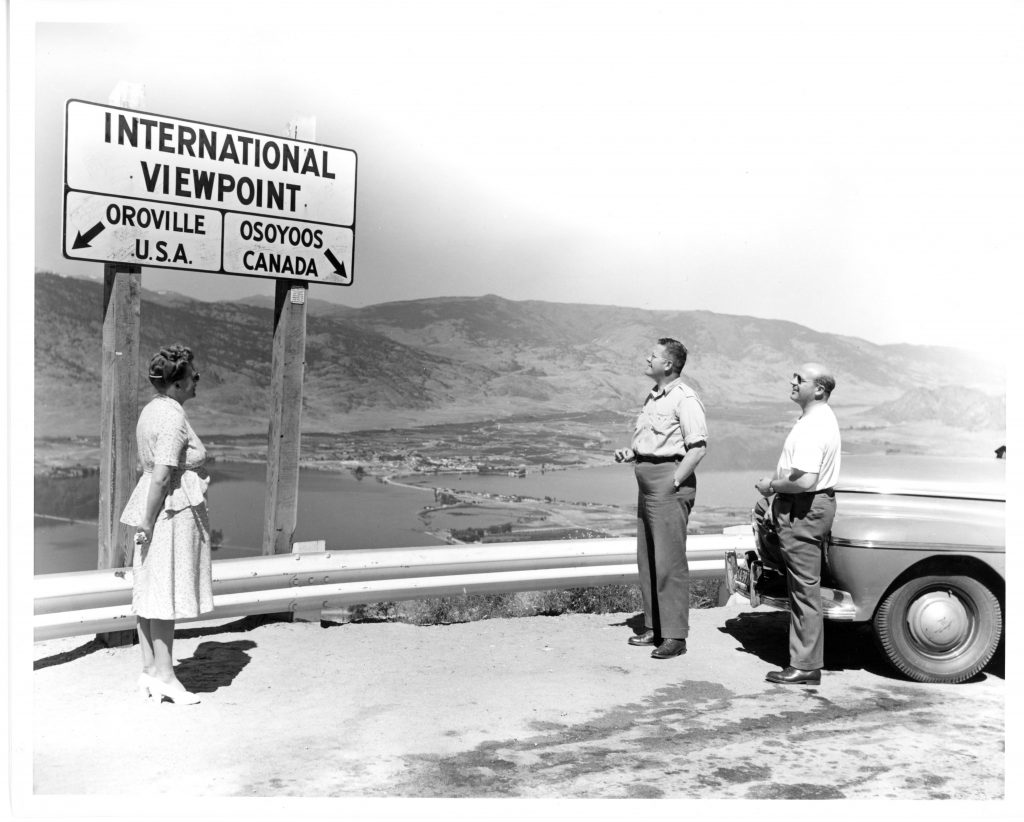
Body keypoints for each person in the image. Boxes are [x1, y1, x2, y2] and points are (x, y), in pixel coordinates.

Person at [119, 344, 212, 704]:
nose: (197, 381)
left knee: (150, 592)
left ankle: (150, 670)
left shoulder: (151, 411)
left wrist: (144, 518)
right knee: (165, 594)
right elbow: (161, 476)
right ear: (177, 382)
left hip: (153, 507)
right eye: (194, 376)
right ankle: (167, 677)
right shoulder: (173, 418)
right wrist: (149, 521)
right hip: (168, 511)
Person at [614, 338, 708, 659]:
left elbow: (697, 447)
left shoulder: (685, 399)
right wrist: (633, 453)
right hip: (648, 483)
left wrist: (674, 479)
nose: (647, 358)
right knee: (648, 558)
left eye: (653, 355)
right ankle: (655, 628)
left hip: (668, 484)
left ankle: (675, 637)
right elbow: (655, 441)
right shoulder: (653, 396)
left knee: (669, 562)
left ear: (668, 365)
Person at [754, 363, 841, 686]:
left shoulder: (813, 425)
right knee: (803, 588)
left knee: (804, 590)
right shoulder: (819, 418)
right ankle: (804, 660)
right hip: (806, 507)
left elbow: (805, 480)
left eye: (799, 379)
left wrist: (771, 486)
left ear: (818, 389)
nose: (792, 382)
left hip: (804, 508)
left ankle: (805, 666)